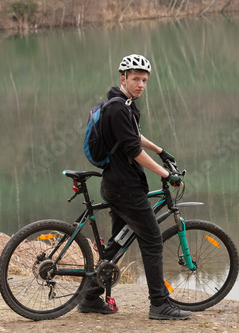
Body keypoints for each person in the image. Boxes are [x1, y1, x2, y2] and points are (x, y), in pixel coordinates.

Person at [77, 54, 191, 320]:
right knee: (152, 242)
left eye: (145, 80)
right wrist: (166, 174)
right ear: (123, 79)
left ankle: (90, 298)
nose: (141, 84)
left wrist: (162, 151)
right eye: (136, 79)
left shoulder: (122, 104)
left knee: (117, 244)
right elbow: (133, 149)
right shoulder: (118, 108)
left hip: (116, 184)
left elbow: (134, 136)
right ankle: (159, 304)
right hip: (125, 188)